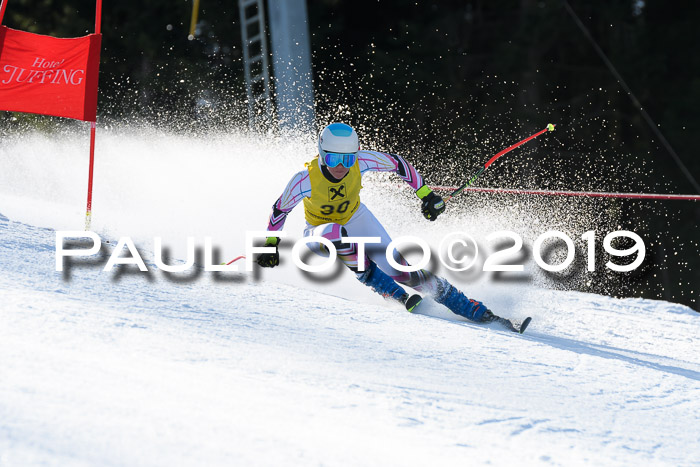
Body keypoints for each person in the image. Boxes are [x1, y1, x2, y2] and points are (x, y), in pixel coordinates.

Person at [256, 122, 519, 330]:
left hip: (356, 218)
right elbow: (280, 209)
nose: (341, 167)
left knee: (402, 269)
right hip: (318, 233)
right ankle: (393, 294)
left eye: (347, 160)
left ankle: (472, 309)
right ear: (322, 154)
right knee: (335, 233)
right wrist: (270, 245)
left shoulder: (361, 161)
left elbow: (398, 164)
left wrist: (426, 195)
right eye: (334, 159)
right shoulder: (305, 179)